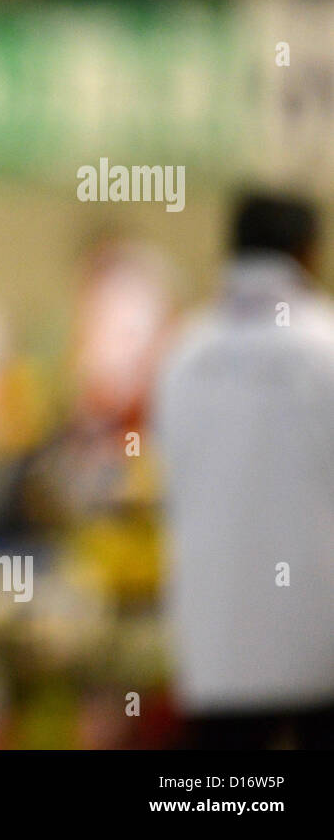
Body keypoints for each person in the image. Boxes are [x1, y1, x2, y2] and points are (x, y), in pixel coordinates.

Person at [153, 189, 334, 749]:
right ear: (308, 252)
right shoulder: (325, 344)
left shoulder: (184, 353)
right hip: (317, 633)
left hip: (215, 640)